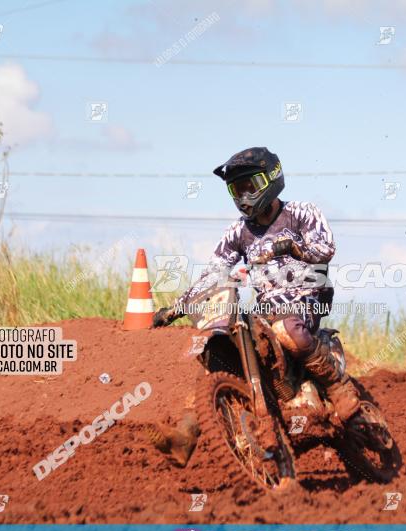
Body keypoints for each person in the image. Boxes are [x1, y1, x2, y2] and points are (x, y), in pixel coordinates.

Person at [148, 147, 361, 466]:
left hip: (308, 297)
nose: (244, 195)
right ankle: (186, 435)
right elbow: (214, 272)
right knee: (221, 357)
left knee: (288, 331)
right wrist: (175, 308)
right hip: (268, 307)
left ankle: (338, 385)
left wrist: (292, 245)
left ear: (271, 180)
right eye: (237, 189)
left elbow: (326, 248)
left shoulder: (301, 212)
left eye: (250, 185)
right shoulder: (238, 232)